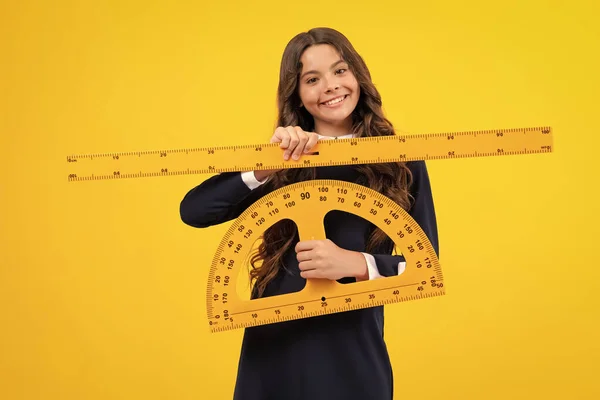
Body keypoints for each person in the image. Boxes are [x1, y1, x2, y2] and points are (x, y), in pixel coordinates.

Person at [179, 27, 439, 400]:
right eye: (312, 79)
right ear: (297, 95)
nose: (330, 86)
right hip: (274, 346)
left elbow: (426, 268)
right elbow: (195, 211)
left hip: (351, 350)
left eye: (340, 71)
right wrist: (267, 165)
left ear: (358, 76)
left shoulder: (401, 158)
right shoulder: (285, 158)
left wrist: (354, 263)